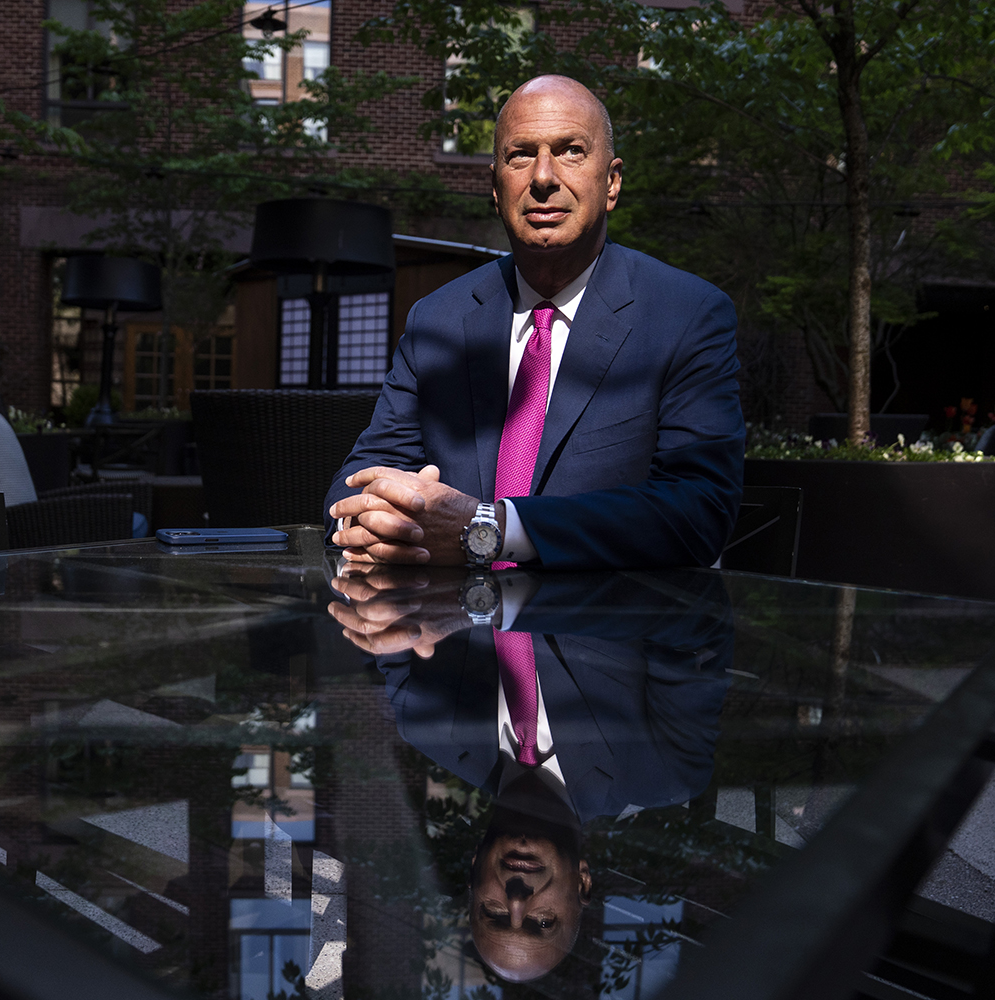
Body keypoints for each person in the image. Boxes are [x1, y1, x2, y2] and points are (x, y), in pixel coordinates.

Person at [325, 75, 744, 570]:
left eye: (570, 151)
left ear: (611, 183)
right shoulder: (438, 319)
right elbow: (360, 477)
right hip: (445, 634)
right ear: (496, 189)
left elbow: (698, 513)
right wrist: (373, 520)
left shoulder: (686, 315)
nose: (543, 176)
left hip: (609, 633)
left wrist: (489, 528)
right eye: (520, 154)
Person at [327, 563, 734, 982]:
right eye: (542, 922)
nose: (518, 900)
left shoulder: (425, 721)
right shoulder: (665, 770)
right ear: (583, 885)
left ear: (473, 870)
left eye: (495, 913)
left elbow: (365, 578)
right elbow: (692, 606)